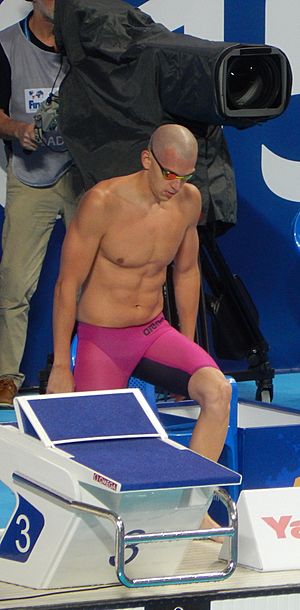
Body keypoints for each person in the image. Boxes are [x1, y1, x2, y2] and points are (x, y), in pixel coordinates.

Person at [47, 123, 231, 465]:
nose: (176, 186)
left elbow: (187, 272)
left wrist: (187, 341)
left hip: (152, 332)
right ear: (147, 159)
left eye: (186, 177)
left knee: (218, 391)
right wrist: (60, 364)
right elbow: (66, 284)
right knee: (98, 451)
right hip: (103, 340)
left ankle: (190, 500)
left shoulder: (188, 202)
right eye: (170, 174)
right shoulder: (102, 202)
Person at [0, 0, 83, 406]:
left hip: (82, 176)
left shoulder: (86, 42)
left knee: (99, 278)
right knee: (14, 281)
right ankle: (5, 377)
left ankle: (87, 369)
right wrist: (17, 129)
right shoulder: (6, 45)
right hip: (31, 175)